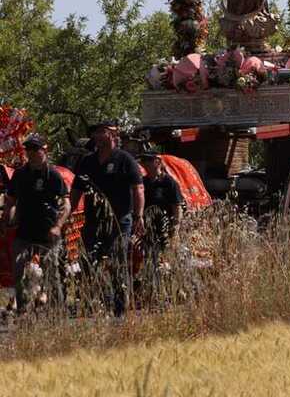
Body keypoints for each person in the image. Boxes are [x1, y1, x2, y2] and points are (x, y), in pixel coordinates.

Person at [70, 120, 144, 316]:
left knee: (117, 261)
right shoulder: (87, 161)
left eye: (101, 132)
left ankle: (119, 306)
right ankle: (90, 302)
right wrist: (69, 213)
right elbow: (76, 189)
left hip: (119, 221)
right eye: (95, 133)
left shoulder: (125, 160)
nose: (97, 136)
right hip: (93, 221)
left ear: (112, 134)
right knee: (87, 261)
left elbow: (138, 189)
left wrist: (138, 216)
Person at [3, 134, 69, 313]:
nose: (31, 153)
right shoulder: (20, 174)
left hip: (48, 231)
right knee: (18, 271)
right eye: (29, 149)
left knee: (52, 274)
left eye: (35, 149)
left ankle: (56, 312)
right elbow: (10, 200)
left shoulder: (53, 175)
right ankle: (23, 310)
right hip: (24, 231)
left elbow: (66, 204)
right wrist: (5, 222)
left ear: (44, 150)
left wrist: (57, 226)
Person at [137, 152, 183, 253]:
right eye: (143, 161)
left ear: (157, 162)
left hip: (163, 228)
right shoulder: (143, 182)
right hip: (146, 227)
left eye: (148, 160)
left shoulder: (169, 182)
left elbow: (176, 206)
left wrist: (175, 229)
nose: (145, 163)